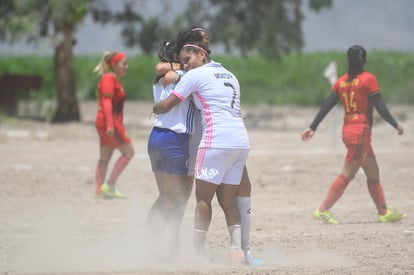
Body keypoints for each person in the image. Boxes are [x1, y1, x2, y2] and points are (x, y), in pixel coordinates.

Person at [155, 27, 261, 266]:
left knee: (204, 198)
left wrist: (156, 107)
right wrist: (180, 70)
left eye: (189, 59)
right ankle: (239, 250)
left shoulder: (194, 74)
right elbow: (163, 69)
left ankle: (200, 253)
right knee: (227, 198)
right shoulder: (228, 73)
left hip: (213, 140)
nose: (187, 64)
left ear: (202, 54)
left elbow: (169, 102)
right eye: (184, 61)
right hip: (239, 140)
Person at [301, 45, 406, 224]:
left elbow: (327, 105)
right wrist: (395, 124)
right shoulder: (368, 79)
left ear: (348, 62)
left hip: (348, 130)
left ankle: (383, 212)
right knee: (348, 173)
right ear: (365, 60)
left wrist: (313, 126)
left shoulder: (340, 82)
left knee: (373, 172)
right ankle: (323, 210)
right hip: (360, 133)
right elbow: (380, 105)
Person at [146, 41, 195, 255]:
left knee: (165, 197)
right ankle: (161, 244)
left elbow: (160, 68)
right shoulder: (184, 76)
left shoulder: (162, 77)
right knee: (174, 198)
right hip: (174, 139)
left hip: (156, 137)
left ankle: (148, 241)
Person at [93, 51, 134, 199]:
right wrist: (110, 125)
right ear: (114, 65)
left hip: (103, 122)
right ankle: (110, 185)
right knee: (129, 152)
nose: (126, 67)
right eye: (124, 64)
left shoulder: (112, 78)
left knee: (104, 157)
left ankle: (99, 191)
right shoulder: (109, 78)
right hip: (109, 122)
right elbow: (106, 101)